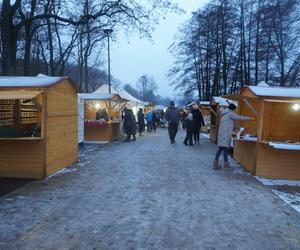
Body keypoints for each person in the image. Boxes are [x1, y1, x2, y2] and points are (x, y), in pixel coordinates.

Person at [213, 103, 253, 170]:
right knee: (225, 149)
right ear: (233, 109)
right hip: (225, 134)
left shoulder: (225, 113)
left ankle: (215, 163)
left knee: (220, 149)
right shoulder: (230, 113)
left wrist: (238, 128)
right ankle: (226, 165)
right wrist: (249, 118)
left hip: (222, 133)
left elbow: (231, 123)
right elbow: (239, 117)